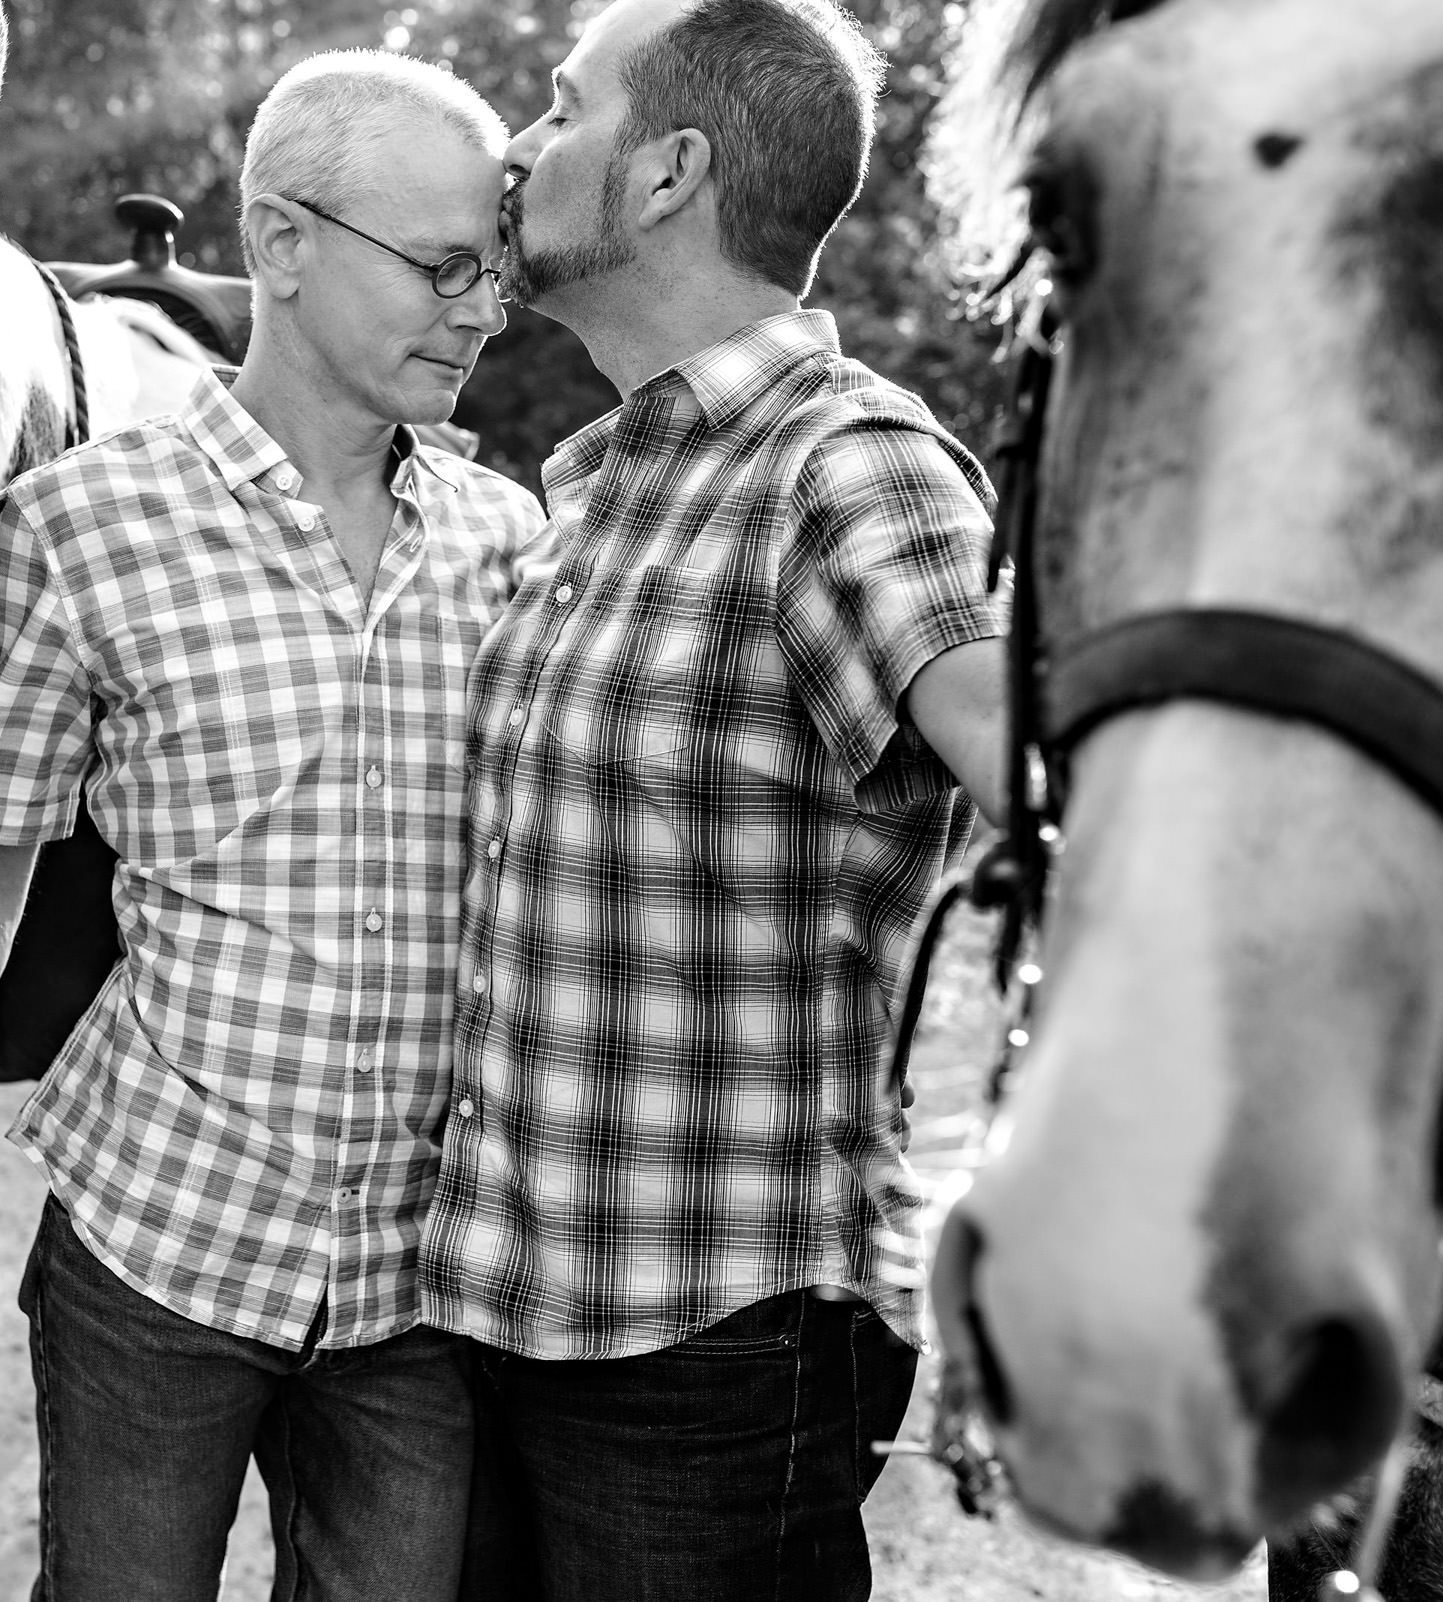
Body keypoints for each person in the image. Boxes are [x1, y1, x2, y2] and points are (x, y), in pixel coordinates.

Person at [0, 50, 548, 1602]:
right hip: (156, 1265)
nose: (481, 312)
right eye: (444, 267)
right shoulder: (74, 530)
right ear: (282, 245)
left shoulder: (506, 534)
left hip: (414, 1298)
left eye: (499, 274)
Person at [416, 0, 1008, 1597]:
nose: (519, 149)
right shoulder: (606, 486)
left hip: (712, 1356)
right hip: (492, 1311)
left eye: (558, 107)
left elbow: (1070, 801)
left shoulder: (851, 466)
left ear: (669, 170)